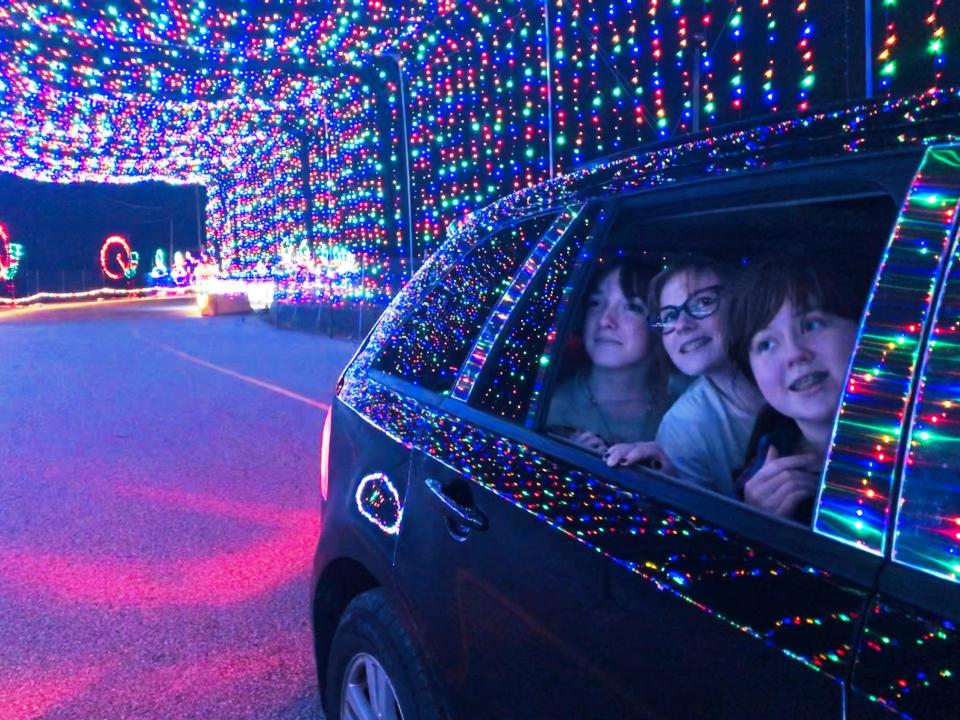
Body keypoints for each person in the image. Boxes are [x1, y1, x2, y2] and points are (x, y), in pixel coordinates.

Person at [725, 255, 869, 521]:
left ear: (862, 328)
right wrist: (754, 518)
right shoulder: (766, 450)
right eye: (766, 344)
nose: (794, 354)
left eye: (811, 324)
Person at [604, 258, 765, 496]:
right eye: (668, 316)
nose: (681, 324)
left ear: (741, 304)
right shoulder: (684, 428)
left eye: (703, 302)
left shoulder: (798, 375)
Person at [547, 256, 668, 454]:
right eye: (596, 303)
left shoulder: (684, 403)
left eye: (631, 307)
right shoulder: (553, 409)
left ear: (658, 324)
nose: (605, 320)